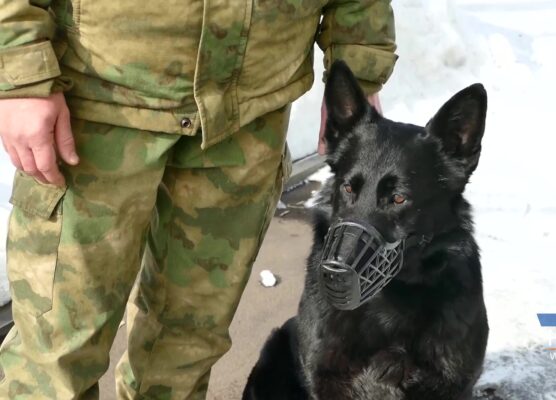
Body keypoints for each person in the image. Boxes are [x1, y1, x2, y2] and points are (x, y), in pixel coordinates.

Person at [0, 0, 397, 397]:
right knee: (57, 354)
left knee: (186, 347)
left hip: (248, 106)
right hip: (99, 93)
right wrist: (20, 70)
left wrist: (358, 68)